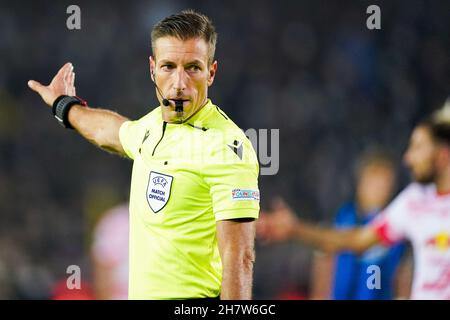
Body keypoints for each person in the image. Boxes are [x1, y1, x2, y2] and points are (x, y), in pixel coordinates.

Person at [28, 10, 260, 300]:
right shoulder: (151, 127)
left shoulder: (226, 147)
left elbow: (240, 259)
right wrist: (65, 105)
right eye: (168, 66)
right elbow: (108, 131)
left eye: (193, 68)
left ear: (211, 72)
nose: (179, 82)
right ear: (152, 69)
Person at [258, 104, 450, 300]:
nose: (408, 158)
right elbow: (357, 241)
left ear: (443, 154)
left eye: (418, 147)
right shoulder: (413, 202)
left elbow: (402, 275)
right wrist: (295, 229)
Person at [308, 149, 410, 300]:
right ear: (361, 183)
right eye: (374, 182)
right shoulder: (341, 219)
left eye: (385, 184)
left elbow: (402, 277)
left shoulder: (395, 226)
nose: (379, 189)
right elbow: (324, 264)